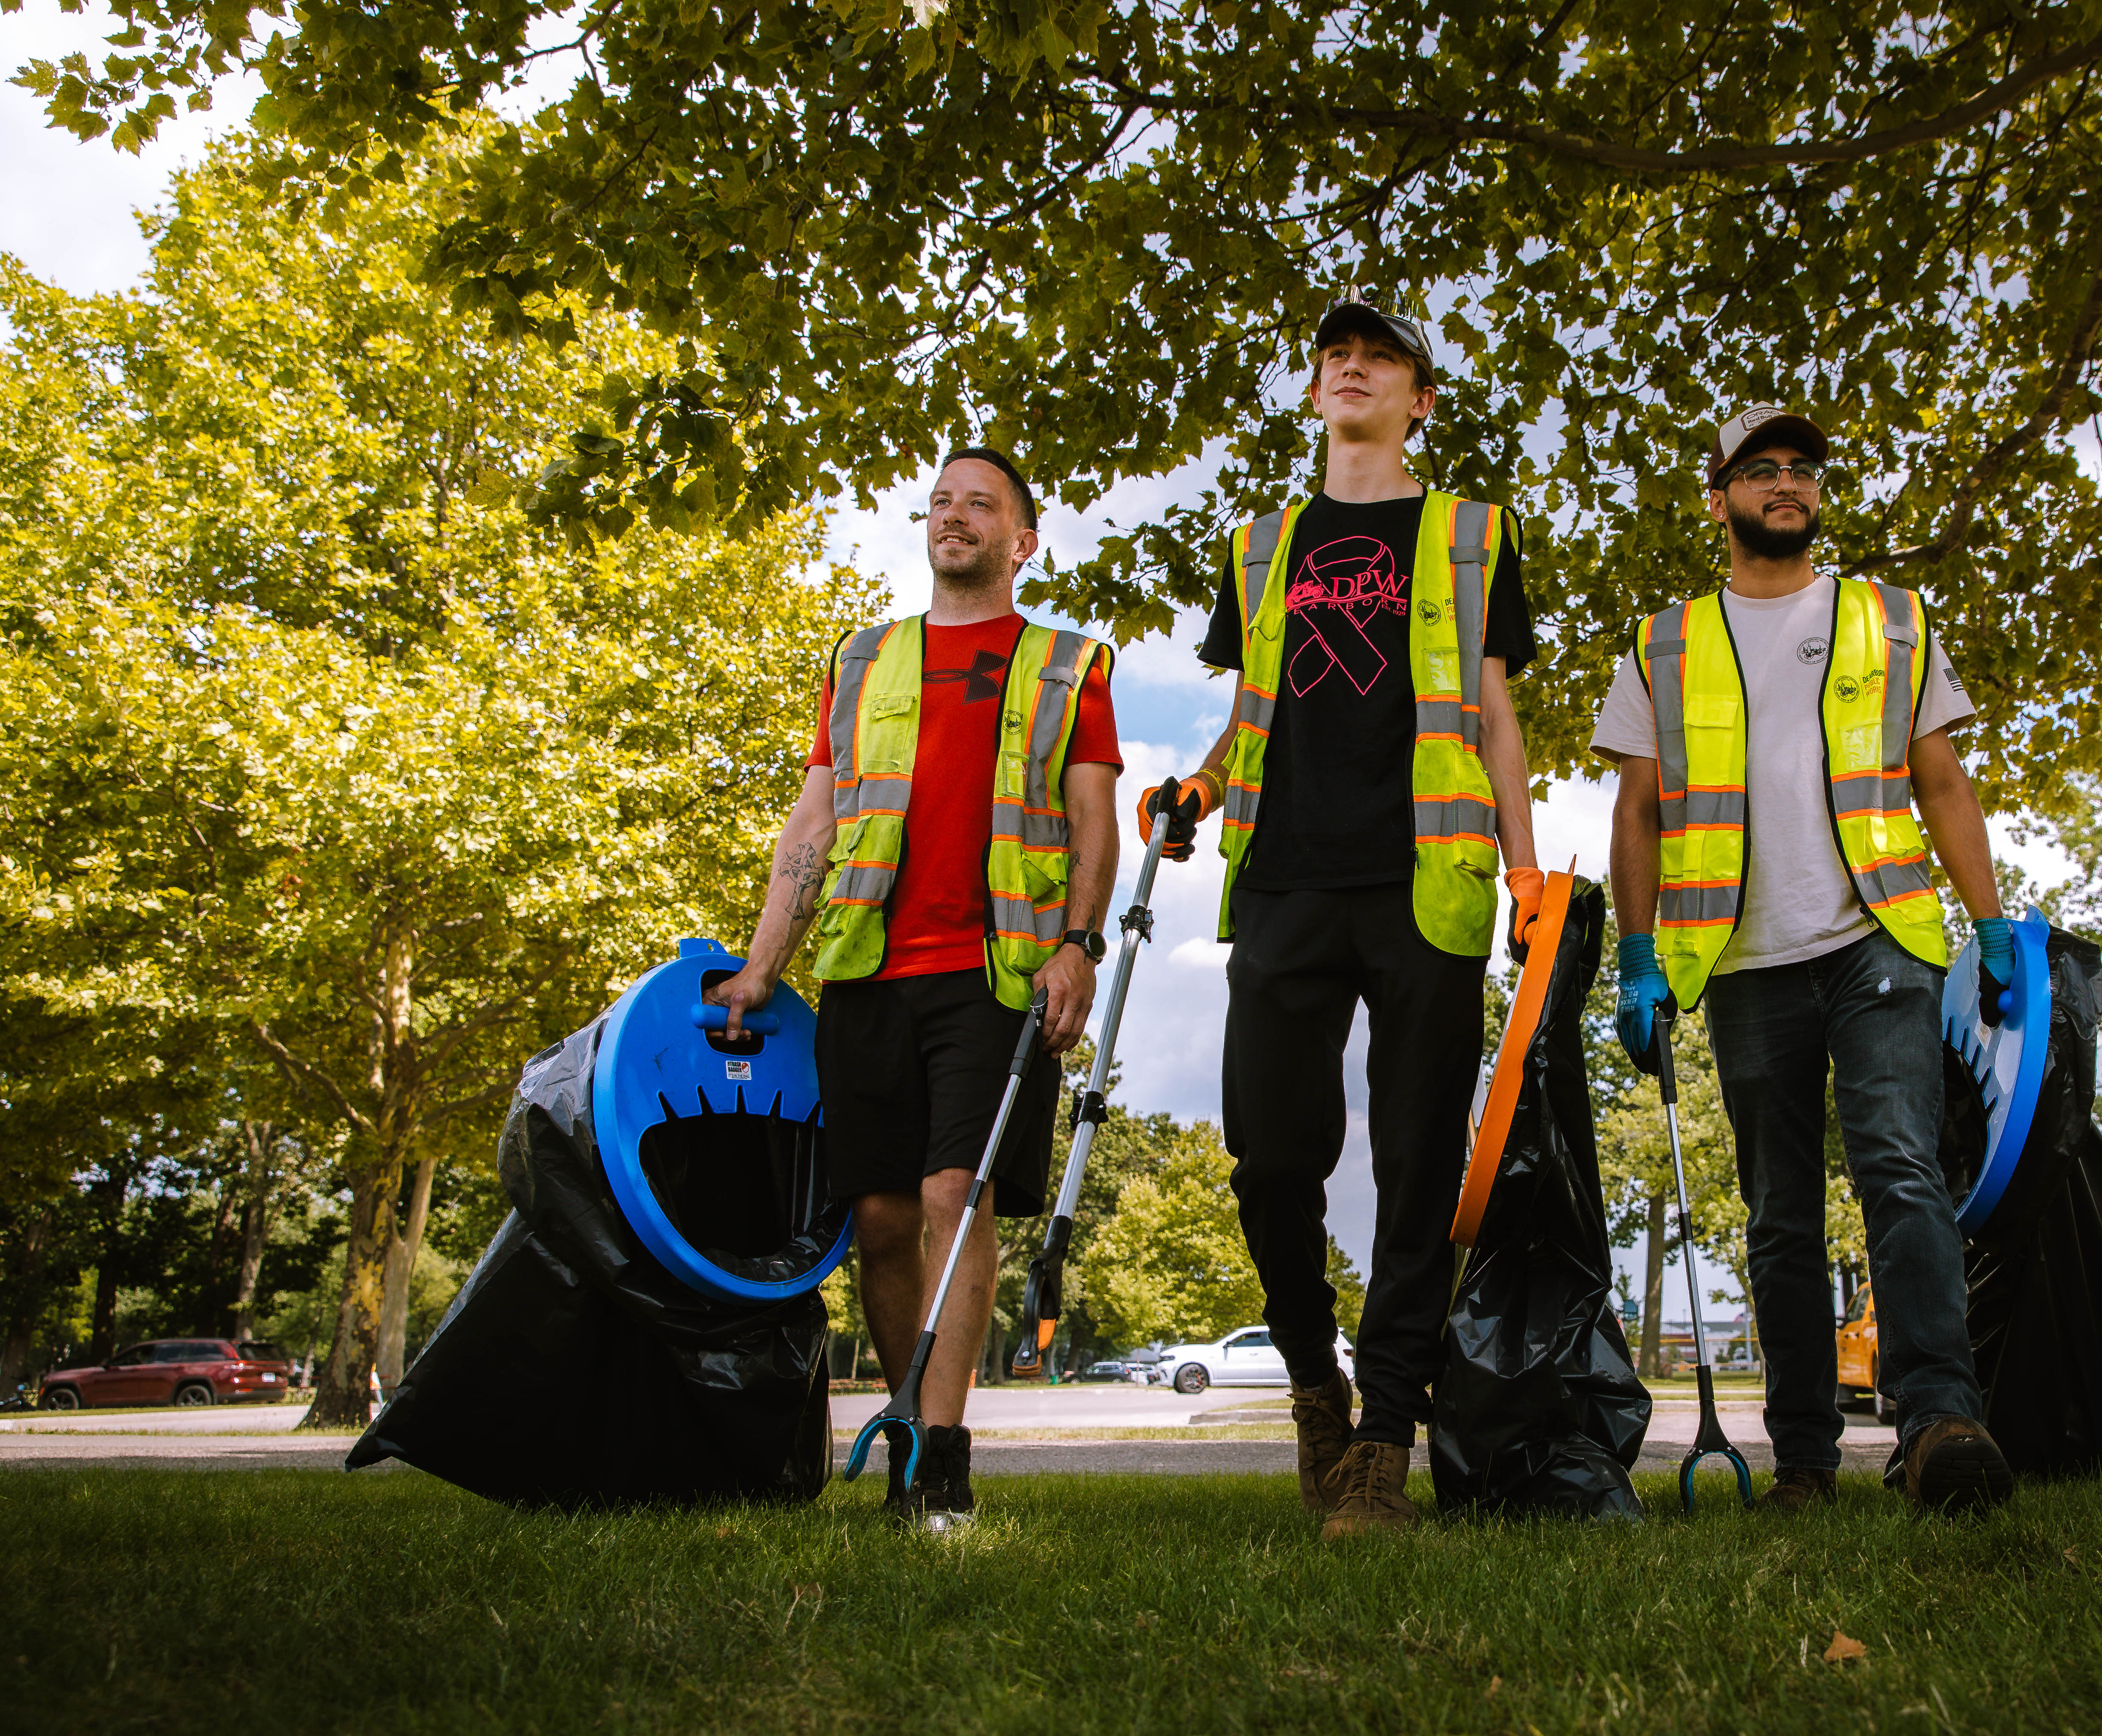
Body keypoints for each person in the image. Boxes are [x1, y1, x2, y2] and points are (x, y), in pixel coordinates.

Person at [1154, 292, 1547, 1538]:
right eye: (1336, 357)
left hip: (1427, 881)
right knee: (1271, 1153)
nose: (1353, 370)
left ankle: (1383, 1437)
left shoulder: (1474, 534)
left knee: (1419, 1161)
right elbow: (1248, 711)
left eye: (1380, 359)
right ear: (1316, 391)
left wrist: (1528, 875)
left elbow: (1492, 711)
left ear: (1420, 399)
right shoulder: (1260, 542)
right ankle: (1312, 1379)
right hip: (1283, 881)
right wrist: (1199, 785)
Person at [1596, 406, 2019, 1515]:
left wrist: (1993, 923)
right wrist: (1636, 955)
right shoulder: (1666, 641)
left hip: (1881, 941)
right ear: (1719, 493)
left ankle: (1939, 1423)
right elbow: (1636, 812)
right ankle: (1803, 1462)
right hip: (1741, 964)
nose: (1786, 484)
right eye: (1760, 469)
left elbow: (1941, 781)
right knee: (1779, 1213)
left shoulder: (1890, 618)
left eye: (1802, 470)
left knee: (1901, 1168)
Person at [711, 447, 1122, 1524]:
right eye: (941, 501)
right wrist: (763, 962)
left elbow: (1092, 818)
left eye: (980, 504)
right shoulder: (861, 659)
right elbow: (813, 823)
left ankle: (945, 1454)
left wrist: (1078, 942)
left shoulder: (1071, 663)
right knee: (885, 1216)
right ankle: (904, 1428)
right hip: (864, 968)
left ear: (1021, 541)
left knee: (954, 1193)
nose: (954, 516)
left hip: (994, 971)